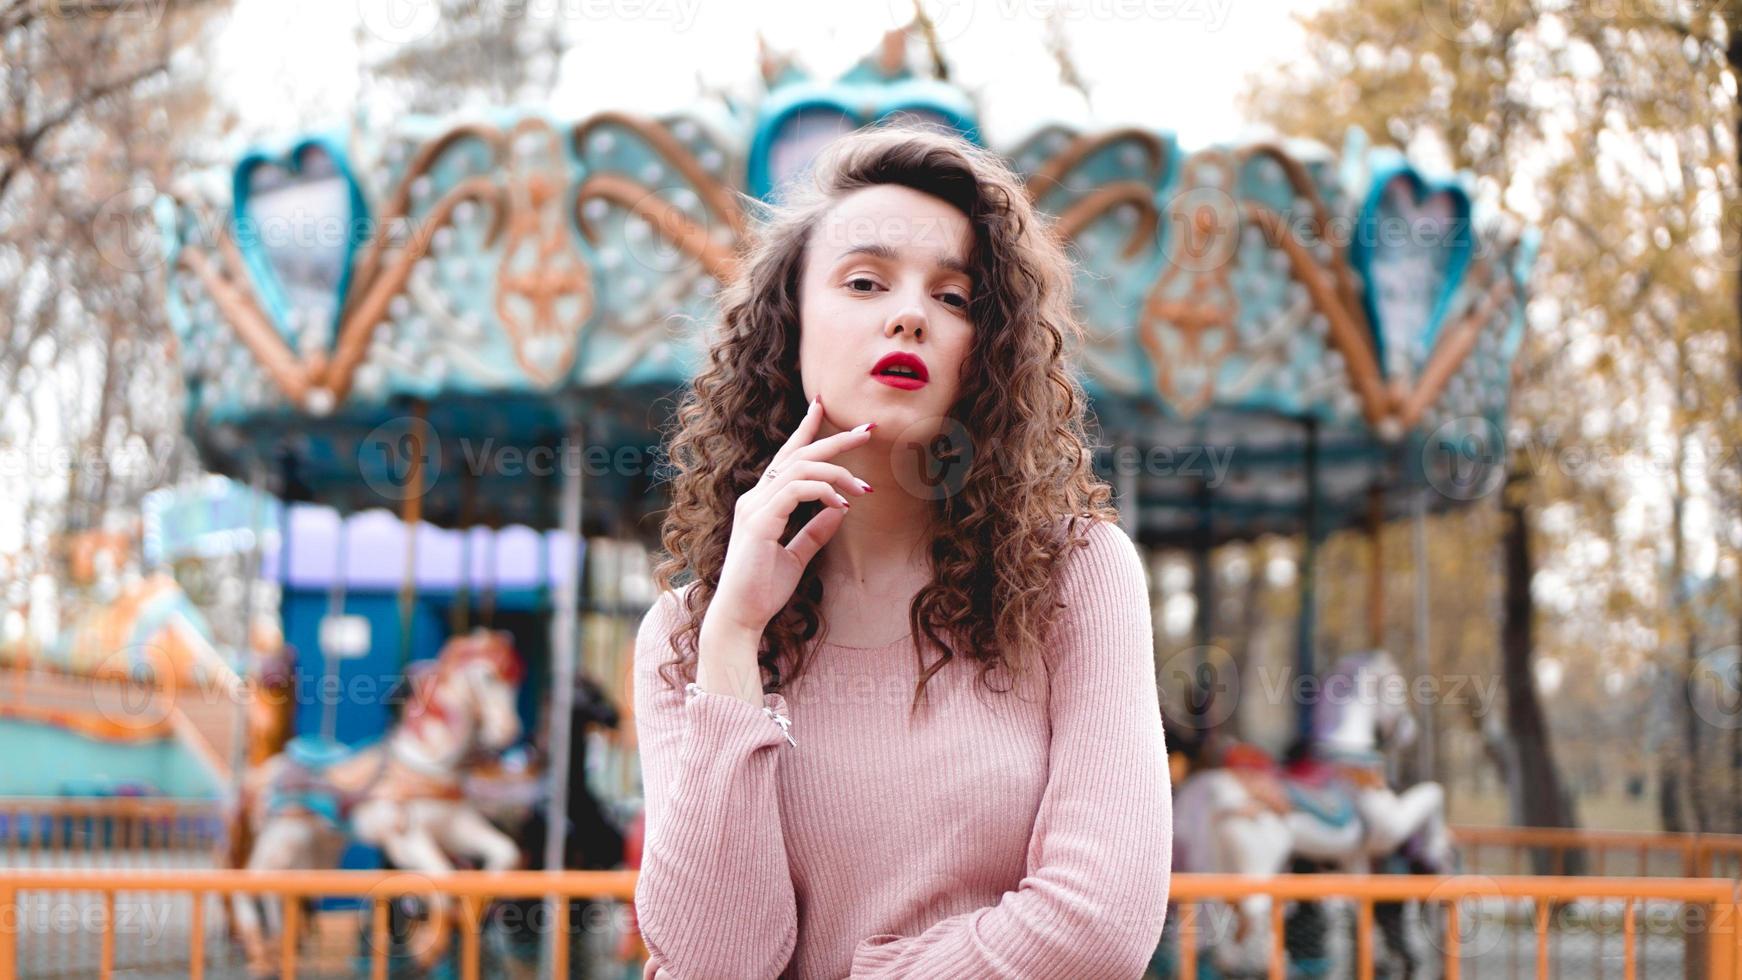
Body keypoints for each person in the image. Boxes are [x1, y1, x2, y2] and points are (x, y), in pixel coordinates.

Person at [630, 121, 1172, 980]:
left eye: (954, 298)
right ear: (790, 324)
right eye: (865, 281)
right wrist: (734, 636)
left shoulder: (1075, 577)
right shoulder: (685, 636)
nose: (911, 314)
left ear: (984, 355)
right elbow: (714, 961)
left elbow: (1099, 923)